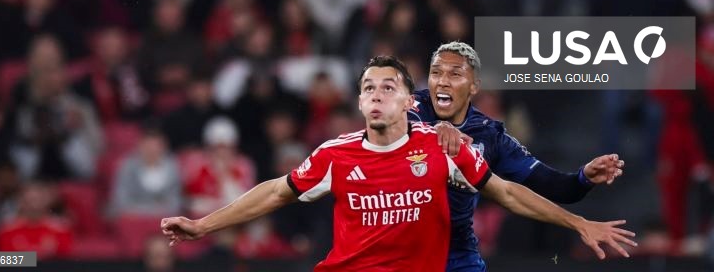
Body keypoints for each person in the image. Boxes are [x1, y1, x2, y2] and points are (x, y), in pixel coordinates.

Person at [161, 56, 636, 271]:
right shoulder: (335, 154)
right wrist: (204, 226)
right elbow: (274, 191)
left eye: (388, 87)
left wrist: (577, 222)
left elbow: (509, 193)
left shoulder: (446, 150)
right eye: (368, 87)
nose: (376, 94)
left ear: (410, 101)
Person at [409, 41, 627, 272]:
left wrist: (583, 177)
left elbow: (554, 187)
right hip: (404, 250)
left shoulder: (490, 135)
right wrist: (433, 131)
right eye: (436, 73)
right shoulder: (410, 107)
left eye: (455, 74)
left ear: (474, 86)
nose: (443, 81)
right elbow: (390, 127)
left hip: (458, 258)